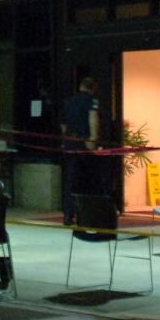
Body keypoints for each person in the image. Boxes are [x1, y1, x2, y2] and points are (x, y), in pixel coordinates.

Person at [58, 77, 101, 225]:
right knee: (87, 180)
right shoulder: (91, 100)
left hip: (70, 143)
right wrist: (93, 139)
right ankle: (86, 215)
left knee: (70, 179)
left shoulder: (68, 101)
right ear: (92, 88)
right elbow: (93, 118)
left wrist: (65, 140)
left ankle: (68, 215)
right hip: (84, 143)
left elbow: (63, 124)